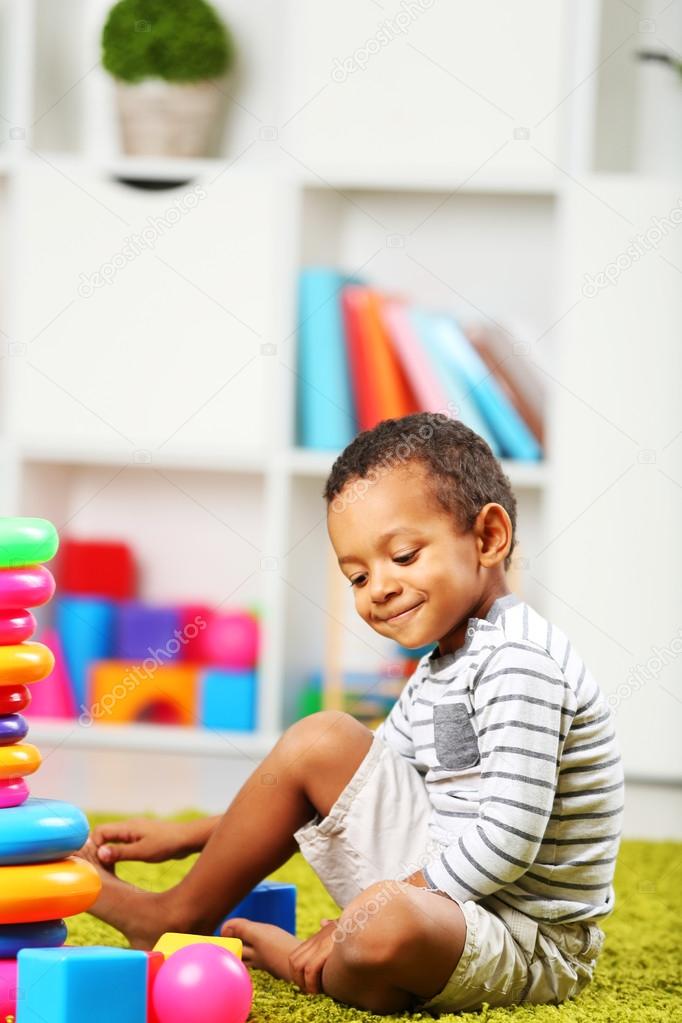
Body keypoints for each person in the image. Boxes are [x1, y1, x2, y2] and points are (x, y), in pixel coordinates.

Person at [80, 413, 623, 1015]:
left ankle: (309, 963)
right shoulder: (444, 664)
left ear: (488, 538)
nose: (379, 589)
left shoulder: (520, 661)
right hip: (440, 892)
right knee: (325, 740)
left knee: (383, 925)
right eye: (358, 576)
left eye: (406, 556)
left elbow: (508, 840)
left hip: (524, 937)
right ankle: (179, 912)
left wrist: (358, 917)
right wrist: (191, 835)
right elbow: (348, 784)